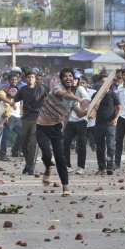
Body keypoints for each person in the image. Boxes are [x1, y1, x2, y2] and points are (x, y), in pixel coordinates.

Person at [36, 68, 89, 196]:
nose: (68, 78)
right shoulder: (57, 88)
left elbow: (80, 113)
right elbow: (63, 95)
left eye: (70, 76)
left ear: (74, 79)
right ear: (61, 79)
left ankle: (66, 187)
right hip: (41, 126)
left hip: (56, 128)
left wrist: (90, 109)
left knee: (60, 158)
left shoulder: (73, 99)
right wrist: (80, 99)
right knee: (47, 155)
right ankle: (48, 168)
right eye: (65, 76)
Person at [14, 69, 47, 175]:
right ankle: (28, 165)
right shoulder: (23, 89)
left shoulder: (41, 89)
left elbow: (50, 100)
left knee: (32, 143)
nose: (30, 79)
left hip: (37, 118)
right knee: (23, 143)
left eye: (32, 77)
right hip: (25, 119)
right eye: (28, 77)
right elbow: (14, 99)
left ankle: (30, 167)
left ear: (35, 79)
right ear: (25, 78)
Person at [90, 74, 121, 175]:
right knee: (100, 147)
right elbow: (92, 110)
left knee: (111, 146)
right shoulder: (95, 95)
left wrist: (116, 119)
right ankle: (101, 167)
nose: (104, 84)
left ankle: (110, 167)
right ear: (100, 83)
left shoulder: (113, 94)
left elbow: (119, 108)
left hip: (110, 124)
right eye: (102, 82)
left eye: (106, 82)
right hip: (99, 124)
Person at [63, 71, 91, 174]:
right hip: (70, 121)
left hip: (81, 121)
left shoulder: (80, 88)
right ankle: (67, 165)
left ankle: (81, 167)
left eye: (74, 79)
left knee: (81, 144)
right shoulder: (65, 90)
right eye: (70, 79)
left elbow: (87, 100)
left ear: (77, 80)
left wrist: (80, 109)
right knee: (65, 143)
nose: (72, 81)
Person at [0, 70, 24, 161]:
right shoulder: (5, 90)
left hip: (17, 116)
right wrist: (4, 116)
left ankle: (14, 151)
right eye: (12, 79)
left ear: (17, 80)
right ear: (9, 80)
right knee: (6, 136)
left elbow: (21, 102)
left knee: (22, 134)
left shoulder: (19, 90)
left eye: (15, 79)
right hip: (9, 116)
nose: (14, 81)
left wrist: (21, 112)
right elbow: (3, 103)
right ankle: (3, 155)